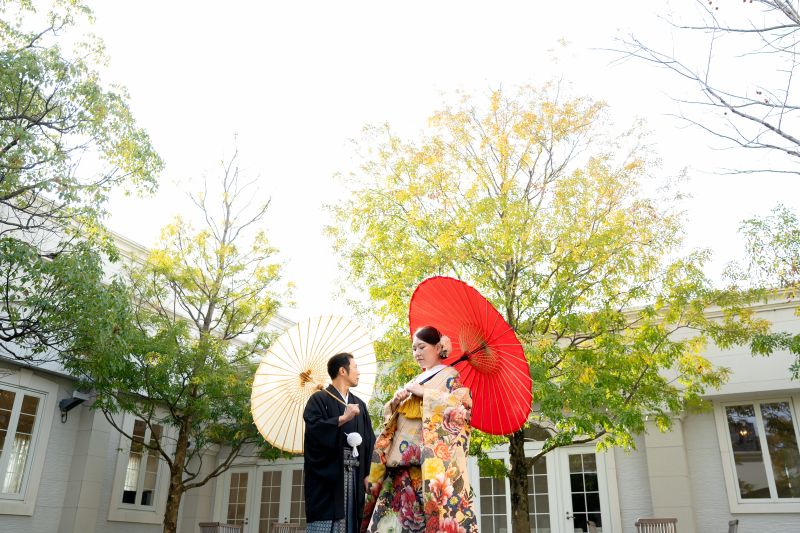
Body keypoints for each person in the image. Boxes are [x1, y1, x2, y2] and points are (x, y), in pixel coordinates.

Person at [362, 326, 476, 533]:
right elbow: (394, 419)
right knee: (389, 524)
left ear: (438, 347)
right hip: (401, 464)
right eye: (414, 349)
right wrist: (395, 403)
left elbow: (462, 410)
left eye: (422, 347)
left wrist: (427, 394)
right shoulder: (414, 380)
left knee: (428, 522)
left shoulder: (450, 375)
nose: (417, 353)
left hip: (428, 467)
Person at [304, 352, 376, 533]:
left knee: (354, 522)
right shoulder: (319, 399)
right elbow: (314, 432)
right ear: (342, 371)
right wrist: (343, 418)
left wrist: (369, 474)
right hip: (330, 477)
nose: (358, 372)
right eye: (355, 367)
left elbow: (368, 441)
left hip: (357, 475)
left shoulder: (359, 404)